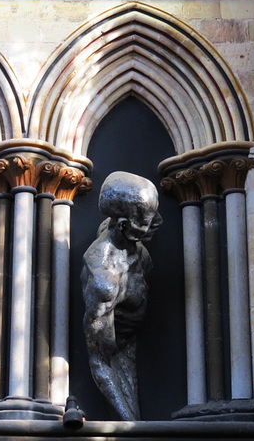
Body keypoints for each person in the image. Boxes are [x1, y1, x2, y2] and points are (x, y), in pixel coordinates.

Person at [81, 171, 162, 421]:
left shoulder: (137, 250)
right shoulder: (104, 282)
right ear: (124, 225)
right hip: (119, 348)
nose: (157, 222)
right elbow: (101, 361)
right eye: (149, 221)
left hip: (133, 339)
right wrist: (131, 426)